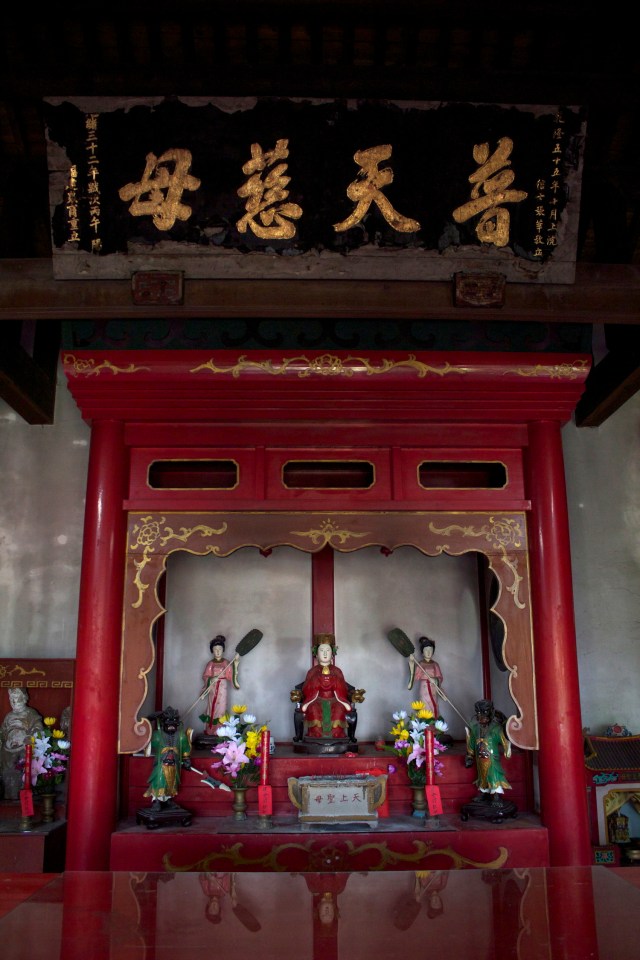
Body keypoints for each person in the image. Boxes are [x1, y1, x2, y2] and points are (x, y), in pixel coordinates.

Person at [294, 634, 363, 741]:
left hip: (335, 699)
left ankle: (337, 735)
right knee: (313, 708)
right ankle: (315, 735)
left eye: (328, 650)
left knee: (339, 708)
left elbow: (344, 688)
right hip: (316, 699)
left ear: (332, 654)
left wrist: (336, 682)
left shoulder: (337, 671)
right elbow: (306, 688)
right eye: (322, 650)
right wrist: (315, 681)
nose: (325, 653)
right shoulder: (312, 671)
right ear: (316, 654)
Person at [0, 687, 45, 799]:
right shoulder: (9, 716)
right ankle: (9, 795)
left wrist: (28, 737)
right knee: (6, 767)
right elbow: (3, 732)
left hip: (25, 747)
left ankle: (24, 796)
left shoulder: (30, 713)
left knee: (23, 766)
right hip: (8, 749)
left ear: (24, 698)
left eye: (16, 698)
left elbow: (37, 727)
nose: (13, 701)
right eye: (11, 698)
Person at [143, 705, 192, 809]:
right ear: (162, 722)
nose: (171, 725)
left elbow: (185, 749)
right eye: (168, 721)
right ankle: (156, 801)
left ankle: (169, 800)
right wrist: (149, 719)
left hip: (174, 763)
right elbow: (145, 739)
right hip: (161, 763)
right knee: (159, 781)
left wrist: (186, 759)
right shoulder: (157, 735)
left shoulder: (181, 736)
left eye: (174, 721)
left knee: (172, 782)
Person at [464, 698, 512, 802]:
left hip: (492, 758)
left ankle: (496, 795)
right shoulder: (475, 728)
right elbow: (471, 743)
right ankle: (483, 792)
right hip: (479, 758)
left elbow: (504, 740)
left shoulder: (496, 728)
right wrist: (469, 756)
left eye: (484, 713)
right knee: (482, 775)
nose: (481, 717)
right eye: (478, 713)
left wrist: (507, 747)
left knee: (494, 774)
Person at [201, 635, 240, 734]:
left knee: (221, 708)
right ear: (212, 651)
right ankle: (211, 730)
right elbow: (205, 676)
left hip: (222, 688)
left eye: (220, 649)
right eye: (215, 649)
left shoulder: (226, 663)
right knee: (212, 708)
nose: (218, 652)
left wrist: (235, 662)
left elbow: (231, 675)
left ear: (223, 650)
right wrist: (211, 679)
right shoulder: (210, 664)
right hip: (213, 688)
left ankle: (220, 731)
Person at [409, 636, 444, 718]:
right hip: (424, 688)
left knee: (434, 705)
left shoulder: (435, 664)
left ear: (433, 652)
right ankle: (425, 724)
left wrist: (435, 680)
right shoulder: (420, 664)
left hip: (433, 688)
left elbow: (440, 677)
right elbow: (415, 677)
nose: (428, 652)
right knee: (424, 706)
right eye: (426, 650)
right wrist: (412, 663)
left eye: (430, 650)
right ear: (422, 652)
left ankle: (434, 723)